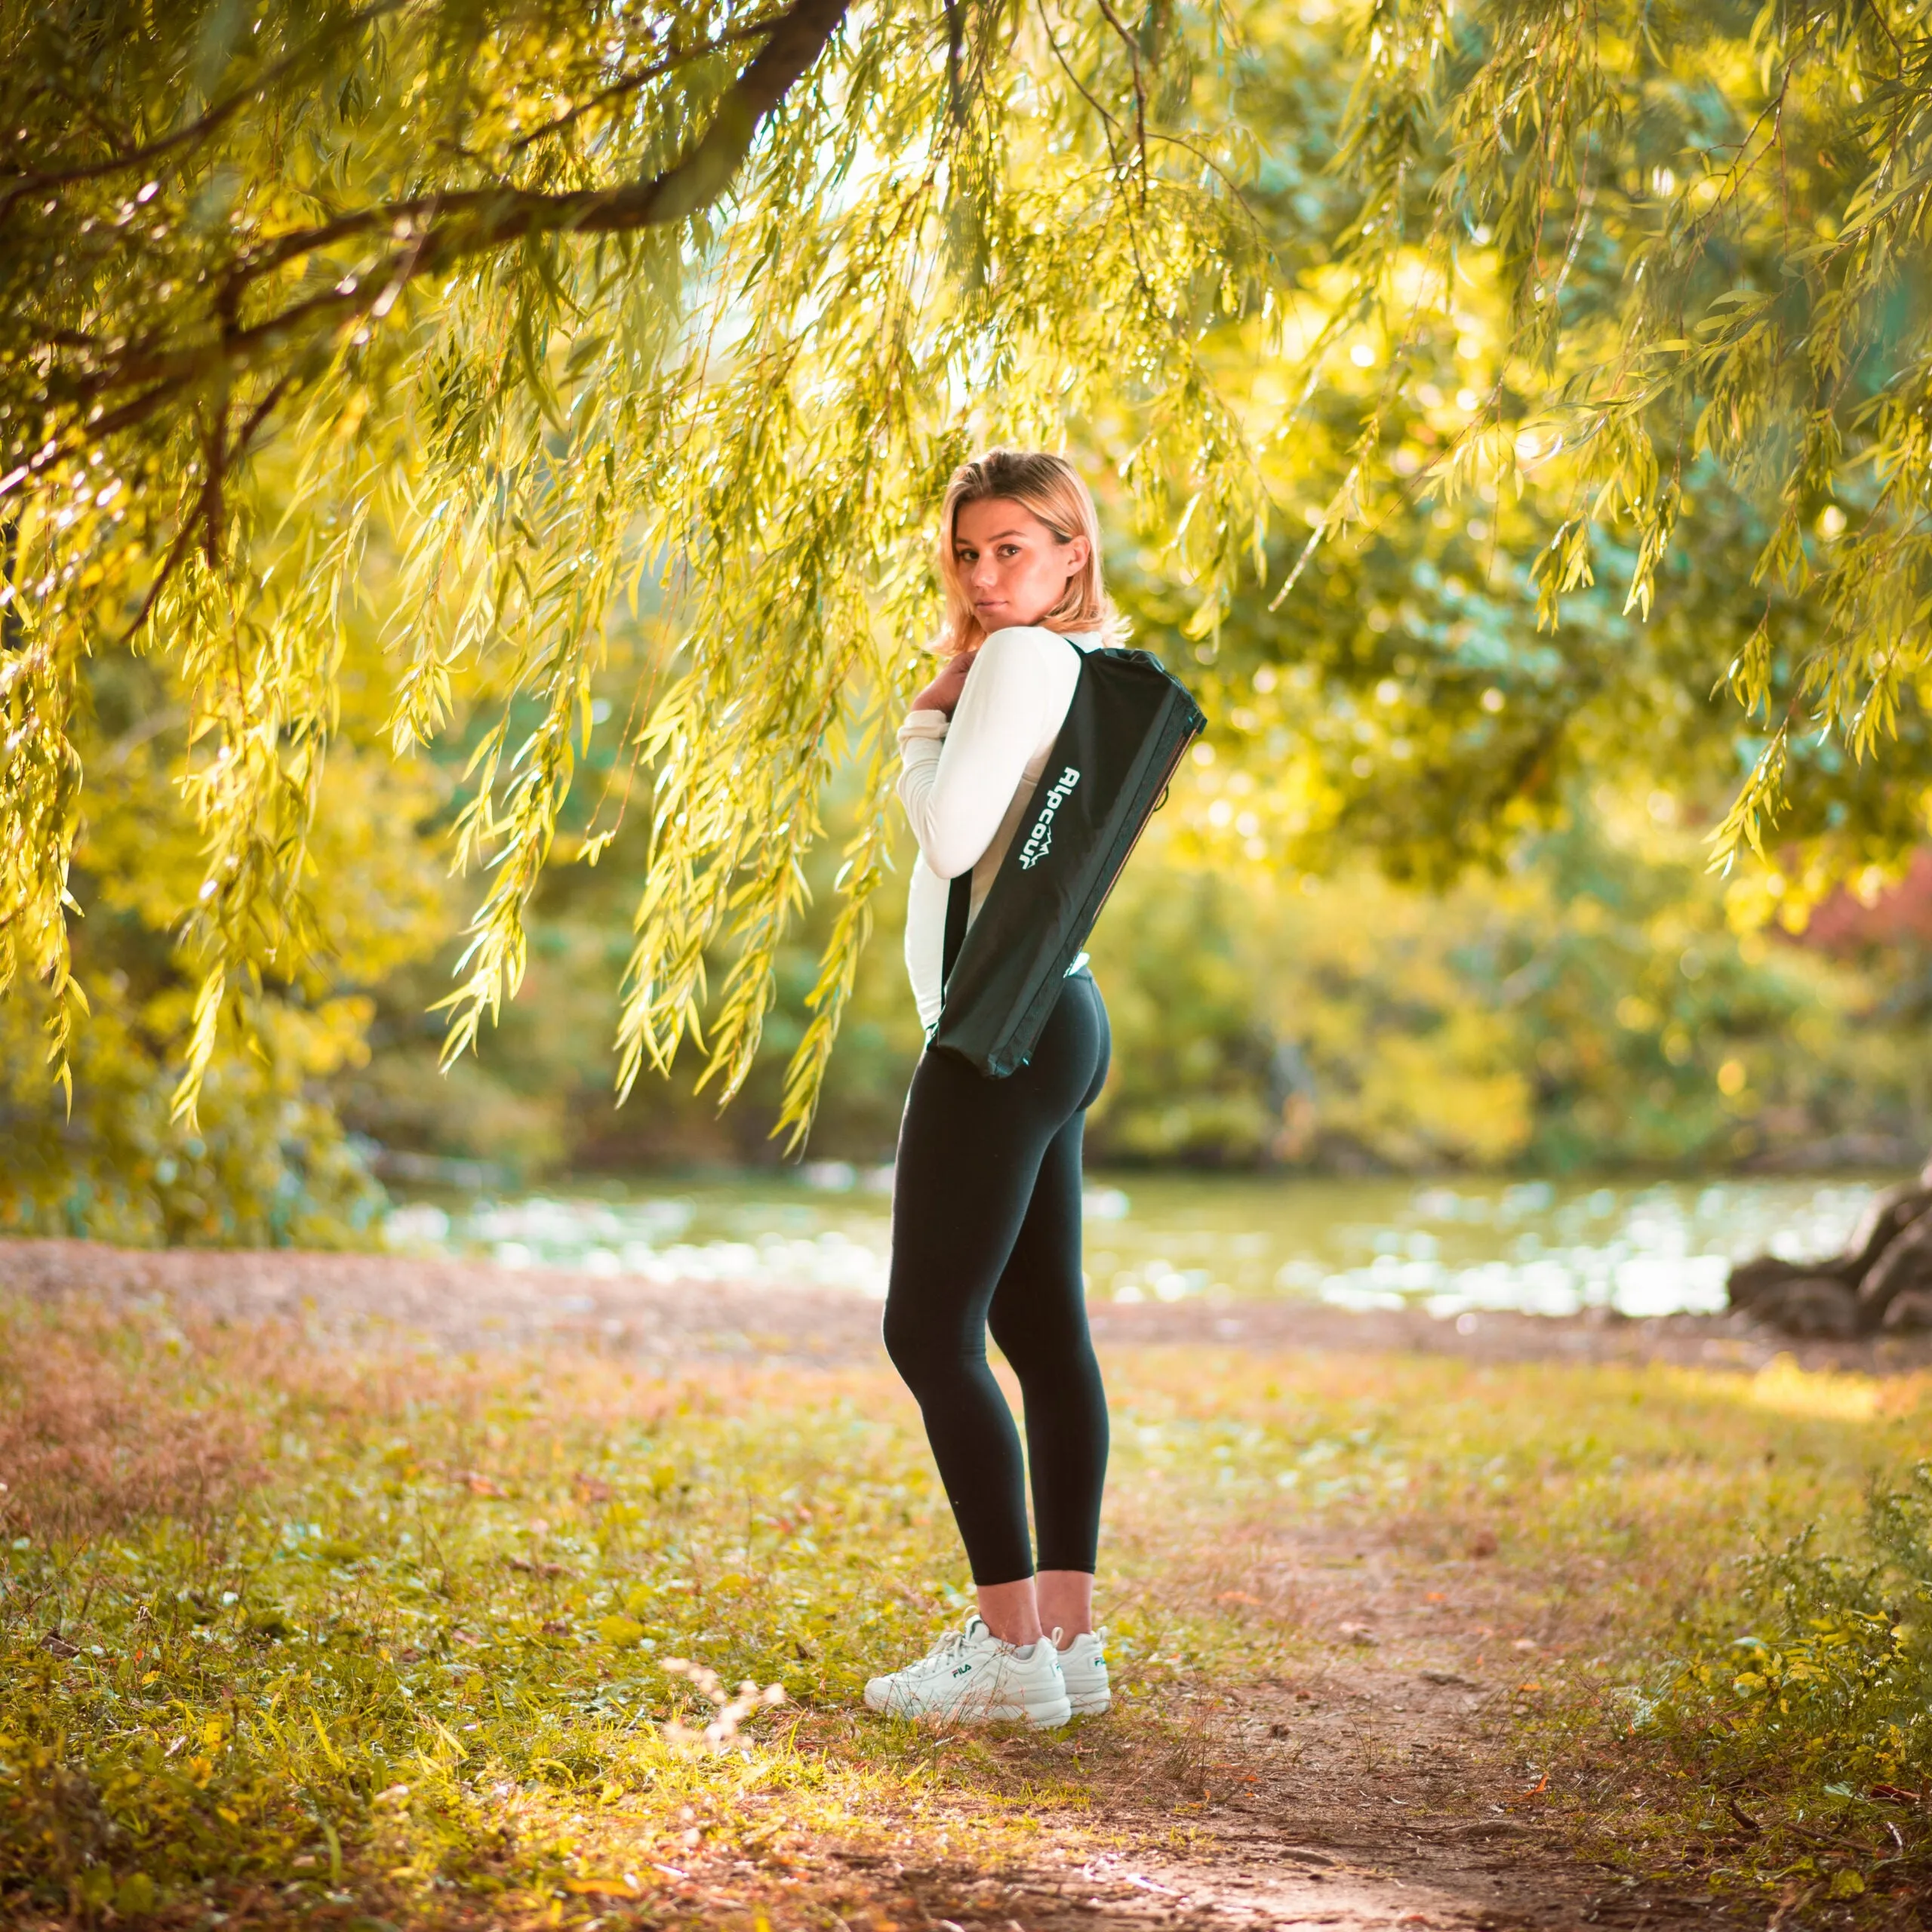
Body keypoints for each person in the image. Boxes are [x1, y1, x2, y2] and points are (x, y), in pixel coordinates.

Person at [863, 449, 1117, 1729]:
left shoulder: (1017, 662)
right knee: (1042, 1339)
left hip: (994, 1035)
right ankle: (1064, 1645)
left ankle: (1011, 1655)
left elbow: (954, 839)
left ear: (1073, 550)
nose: (983, 574)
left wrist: (919, 727)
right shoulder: (1072, 666)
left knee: (929, 1334)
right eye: (966, 552)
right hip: (1056, 1013)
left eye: (1011, 547)